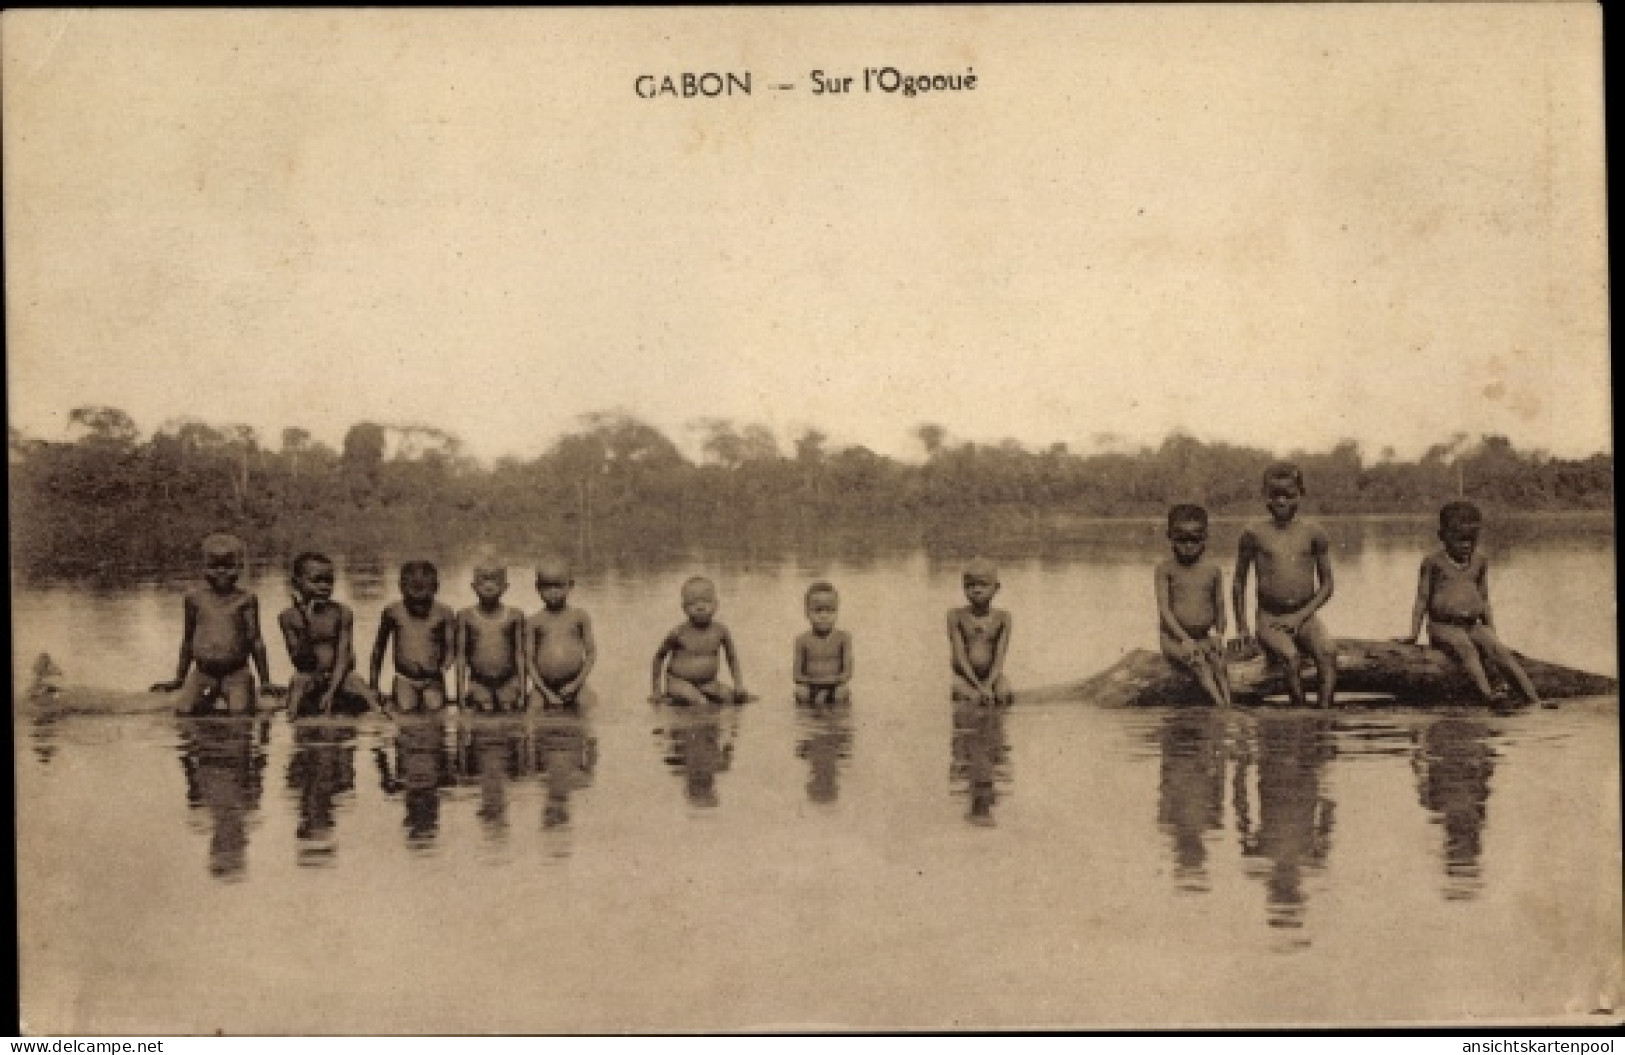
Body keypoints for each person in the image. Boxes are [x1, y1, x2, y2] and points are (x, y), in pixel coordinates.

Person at [1397, 501, 1546, 707]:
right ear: (1442, 536)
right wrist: (1413, 634)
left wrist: (1491, 631)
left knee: (1501, 652)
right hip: (1443, 627)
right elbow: (1421, 600)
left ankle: (1534, 699)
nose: (1466, 545)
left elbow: (1484, 599)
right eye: (1460, 539)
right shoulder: (1433, 563)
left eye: (1472, 539)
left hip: (1473, 626)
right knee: (1466, 649)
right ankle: (1488, 696)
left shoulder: (1480, 561)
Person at [1233, 464, 1338, 708]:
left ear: (1300, 494)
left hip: (1305, 617)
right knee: (1290, 657)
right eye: (1275, 495)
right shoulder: (1253, 533)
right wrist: (1242, 627)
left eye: (1289, 495)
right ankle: (1298, 711)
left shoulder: (1314, 532)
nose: (1281, 501)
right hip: (1270, 619)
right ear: (1265, 495)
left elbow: (1328, 585)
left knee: (1328, 652)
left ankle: (1325, 715)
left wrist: (1300, 617)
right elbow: (1239, 582)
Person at [151, 532, 282, 715]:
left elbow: (255, 640)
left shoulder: (246, 599)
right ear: (204, 567)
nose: (221, 571)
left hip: (236, 673)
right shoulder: (194, 599)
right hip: (203, 673)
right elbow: (188, 640)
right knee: (184, 711)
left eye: (228, 566)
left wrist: (265, 681)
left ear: (240, 567)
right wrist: (179, 678)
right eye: (214, 566)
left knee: (240, 712)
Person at [278, 552, 384, 719]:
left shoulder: (342, 613)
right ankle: (292, 716)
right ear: (296, 583)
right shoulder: (288, 617)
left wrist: (331, 691)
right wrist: (305, 622)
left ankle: (377, 714)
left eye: (329, 581)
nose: (324, 586)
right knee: (298, 684)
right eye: (316, 580)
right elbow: (300, 662)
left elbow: (344, 657)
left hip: (342, 675)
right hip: (309, 675)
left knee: (363, 690)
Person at [1155, 504, 1233, 708]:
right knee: (1199, 663)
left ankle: (1229, 704)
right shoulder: (1165, 569)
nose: (1188, 545)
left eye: (1195, 539)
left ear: (1205, 537)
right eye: (1182, 539)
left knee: (1219, 662)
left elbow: (1220, 606)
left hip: (1203, 637)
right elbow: (1165, 611)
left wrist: (1218, 635)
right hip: (1174, 640)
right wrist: (1185, 640)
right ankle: (1221, 708)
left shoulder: (1213, 570)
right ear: (1170, 536)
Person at [369, 561, 457, 713]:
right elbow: (378, 649)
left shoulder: (444, 612)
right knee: (405, 710)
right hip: (405, 679)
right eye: (413, 599)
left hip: (433, 679)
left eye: (424, 600)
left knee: (435, 711)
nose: (419, 605)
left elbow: (451, 647)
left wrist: (445, 666)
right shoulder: (393, 611)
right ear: (401, 588)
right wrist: (374, 686)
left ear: (436, 588)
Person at [651, 576, 746, 705]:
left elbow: (732, 658)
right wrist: (656, 690)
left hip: (708, 683)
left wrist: (738, 685)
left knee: (731, 698)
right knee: (700, 702)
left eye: (706, 601)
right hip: (678, 682)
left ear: (716, 604)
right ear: (684, 608)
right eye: (693, 603)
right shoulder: (678, 632)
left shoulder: (720, 630)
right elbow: (658, 657)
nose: (700, 607)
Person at [456, 560, 528, 713]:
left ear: (505, 586)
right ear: (473, 586)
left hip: (508, 681)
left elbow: (520, 655)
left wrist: (523, 691)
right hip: (479, 682)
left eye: (494, 580)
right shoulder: (465, 616)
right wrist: (460, 692)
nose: (489, 585)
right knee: (483, 708)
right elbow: (461, 656)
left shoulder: (515, 615)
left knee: (509, 708)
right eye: (483, 580)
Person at [527, 555, 597, 709]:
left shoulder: (580, 616)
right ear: (537, 587)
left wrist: (576, 684)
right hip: (543, 687)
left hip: (576, 684)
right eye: (547, 587)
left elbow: (591, 654)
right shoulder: (534, 621)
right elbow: (529, 661)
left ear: (570, 585)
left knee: (589, 706)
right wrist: (546, 692)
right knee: (533, 709)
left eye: (558, 586)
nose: (553, 592)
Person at [949, 556, 1013, 706]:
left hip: (992, 676)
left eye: (983, 585)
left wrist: (988, 684)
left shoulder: (1003, 618)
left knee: (1004, 693)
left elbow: (999, 658)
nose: (976, 590)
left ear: (996, 588)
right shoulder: (956, 616)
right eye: (970, 585)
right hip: (964, 678)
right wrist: (979, 687)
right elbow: (960, 658)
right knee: (971, 697)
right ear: (963, 587)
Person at [793, 581, 853, 705]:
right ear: (807, 613)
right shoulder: (802, 640)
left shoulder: (843, 638)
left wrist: (832, 681)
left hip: (835, 686)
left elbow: (847, 673)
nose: (824, 616)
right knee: (801, 693)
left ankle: (838, 714)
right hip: (811, 686)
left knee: (842, 692)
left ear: (837, 612)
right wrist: (815, 683)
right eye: (818, 611)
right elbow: (796, 675)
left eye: (830, 611)